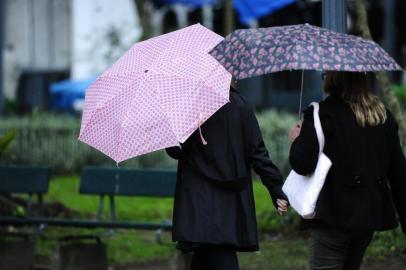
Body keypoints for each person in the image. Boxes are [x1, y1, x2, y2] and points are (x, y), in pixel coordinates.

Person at [289, 71, 406, 270]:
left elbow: (302, 164)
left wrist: (297, 140)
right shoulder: (382, 116)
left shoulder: (321, 113)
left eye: (325, 74)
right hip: (367, 219)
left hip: (332, 218)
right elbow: (399, 175)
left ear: (333, 79)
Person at [166, 82, 288, 270]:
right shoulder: (240, 104)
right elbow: (257, 152)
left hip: (199, 197)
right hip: (228, 198)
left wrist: (172, 123)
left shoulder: (190, 103)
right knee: (210, 254)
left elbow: (175, 151)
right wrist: (276, 189)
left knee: (213, 253)